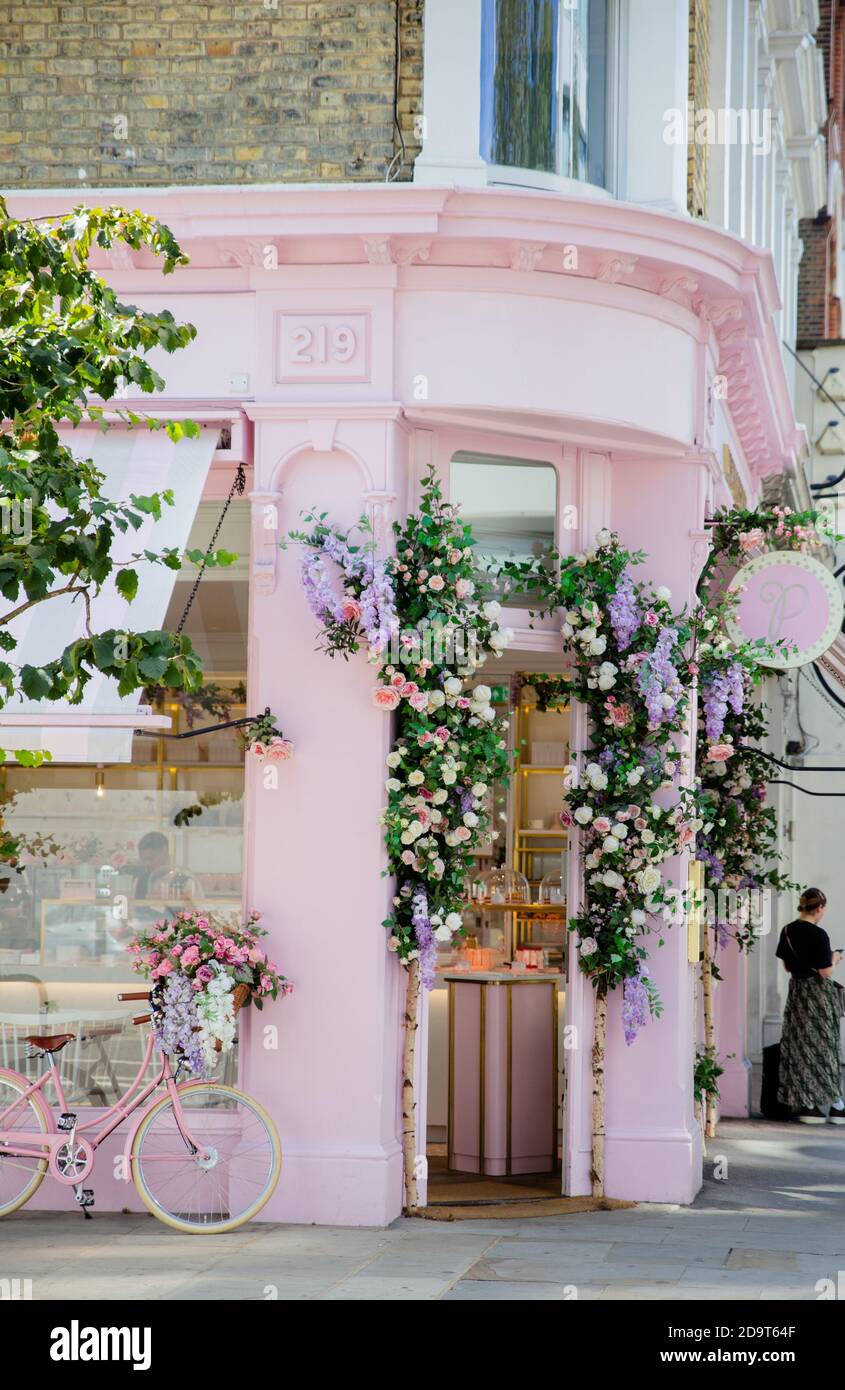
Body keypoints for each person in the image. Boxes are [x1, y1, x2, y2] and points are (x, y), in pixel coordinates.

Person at [776, 888, 845, 1124]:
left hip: (797, 995)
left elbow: (787, 967)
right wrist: (835, 957)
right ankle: (837, 1106)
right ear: (819, 908)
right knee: (826, 1047)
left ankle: (808, 1105)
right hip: (818, 997)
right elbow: (825, 972)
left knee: (801, 1046)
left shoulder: (787, 931)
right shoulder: (819, 935)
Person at [129, 832, 197, 901]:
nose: (147, 864)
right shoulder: (138, 882)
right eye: (143, 860)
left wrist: (181, 901)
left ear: (165, 852)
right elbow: (131, 910)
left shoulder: (188, 883)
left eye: (150, 859)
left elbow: (198, 910)